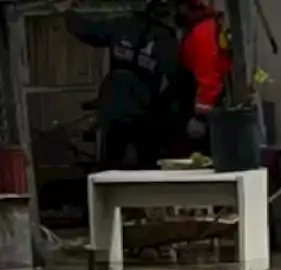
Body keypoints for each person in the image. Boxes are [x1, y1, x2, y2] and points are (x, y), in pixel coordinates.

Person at [64, 0, 184, 170]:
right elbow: (173, 78)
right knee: (148, 164)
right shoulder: (166, 38)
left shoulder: (122, 25)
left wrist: (68, 13)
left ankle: (107, 194)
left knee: (112, 164)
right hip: (144, 110)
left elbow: (88, 31)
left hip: (115, 106)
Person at [173, 0, 233, 155]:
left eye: (181, 7)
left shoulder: (203, 32)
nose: (179, 12)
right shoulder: (202, 29)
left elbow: (210, 78)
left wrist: (200, 117)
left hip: (211, 111)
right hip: (210, 105)